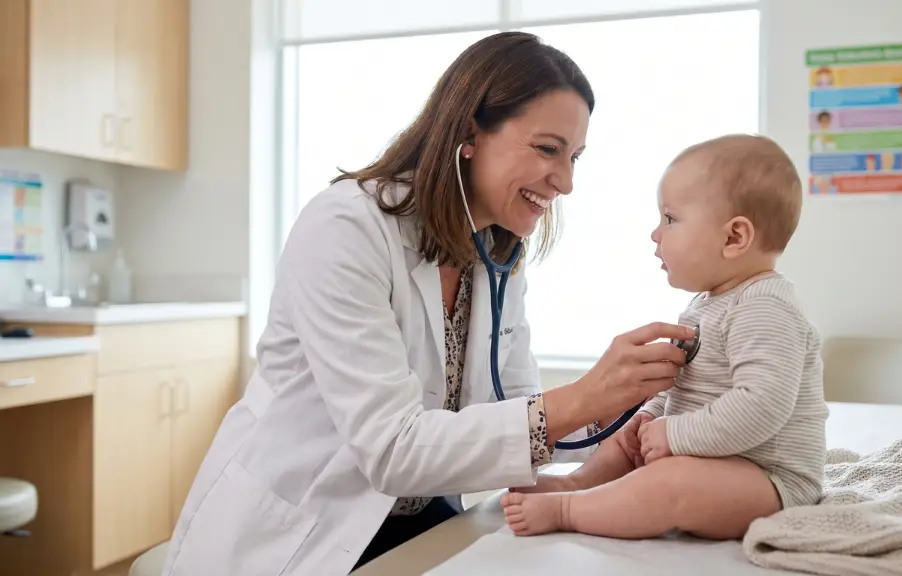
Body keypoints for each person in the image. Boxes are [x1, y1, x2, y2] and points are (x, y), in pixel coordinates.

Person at [160, 31, 695, 576]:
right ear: (469, 132)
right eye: (547, 149)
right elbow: (394, 449)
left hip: (421, 512)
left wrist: (623, 414)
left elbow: (518, 406)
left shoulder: (497, 253)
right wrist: (582, 398)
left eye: (575, 156)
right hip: (306, 526)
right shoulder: (346, 228)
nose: (566, 182)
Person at [500, 134, 829, 541]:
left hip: (769, 480)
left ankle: (569, 509)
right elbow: (683, 386)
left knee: (673, 481)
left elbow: (761, 407)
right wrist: (652, 416)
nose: (656, 234)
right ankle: (576, 483)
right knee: (627, 438)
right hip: (709, 457)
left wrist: (675, 434)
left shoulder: (766, 308)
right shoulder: (704, 305)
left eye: (670, 219)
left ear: (734, 238)